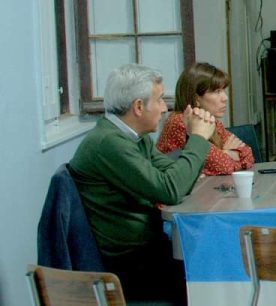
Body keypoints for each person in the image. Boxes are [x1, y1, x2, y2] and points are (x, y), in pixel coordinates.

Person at [69, 64, 217, 304]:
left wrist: (187, 160)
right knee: (210, 269)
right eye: (159, 100)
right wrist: (198, 138)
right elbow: (171, 189)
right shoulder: (109, 144)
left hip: (146, 251)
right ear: (138, 106)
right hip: (130, 264)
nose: (165, 108)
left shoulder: (134, 139)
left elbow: (176, 176)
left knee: (210, 257)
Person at [156, 62, 254, 175]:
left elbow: (248, 153)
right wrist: (228, 154)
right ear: (196, 98)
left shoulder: (209, 120)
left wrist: (223, 154)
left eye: (223, 91)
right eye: (217, 92)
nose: (225, 98)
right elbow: (224, 167)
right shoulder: (181, 122)